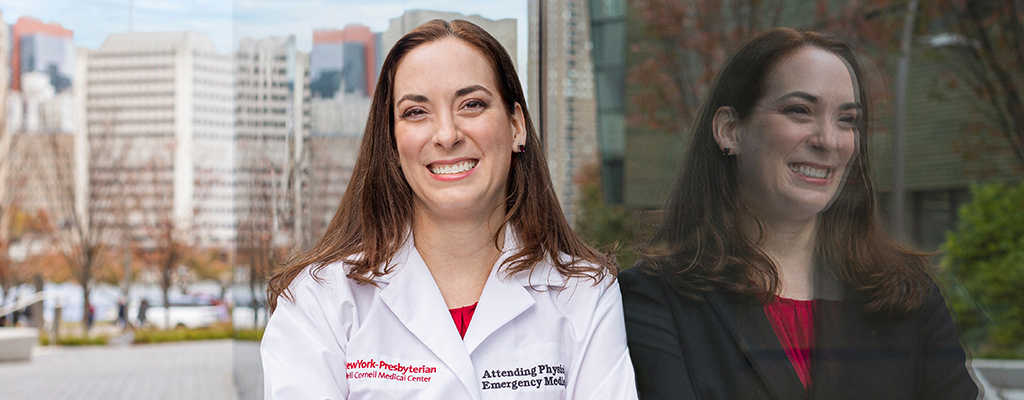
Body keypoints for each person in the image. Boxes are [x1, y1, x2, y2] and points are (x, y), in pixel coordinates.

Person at [261, 19, 636, 399]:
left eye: (471, 105)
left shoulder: (584, 293)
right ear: (392, 143)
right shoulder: (318, 300)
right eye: (416, 112)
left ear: (517, 126)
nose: (447, 134)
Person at [619, 28, 979, 400]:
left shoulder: (908, 297)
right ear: (730, 130)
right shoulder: (653, 299)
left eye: (847, 119)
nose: (828, 140)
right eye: (800, 111)